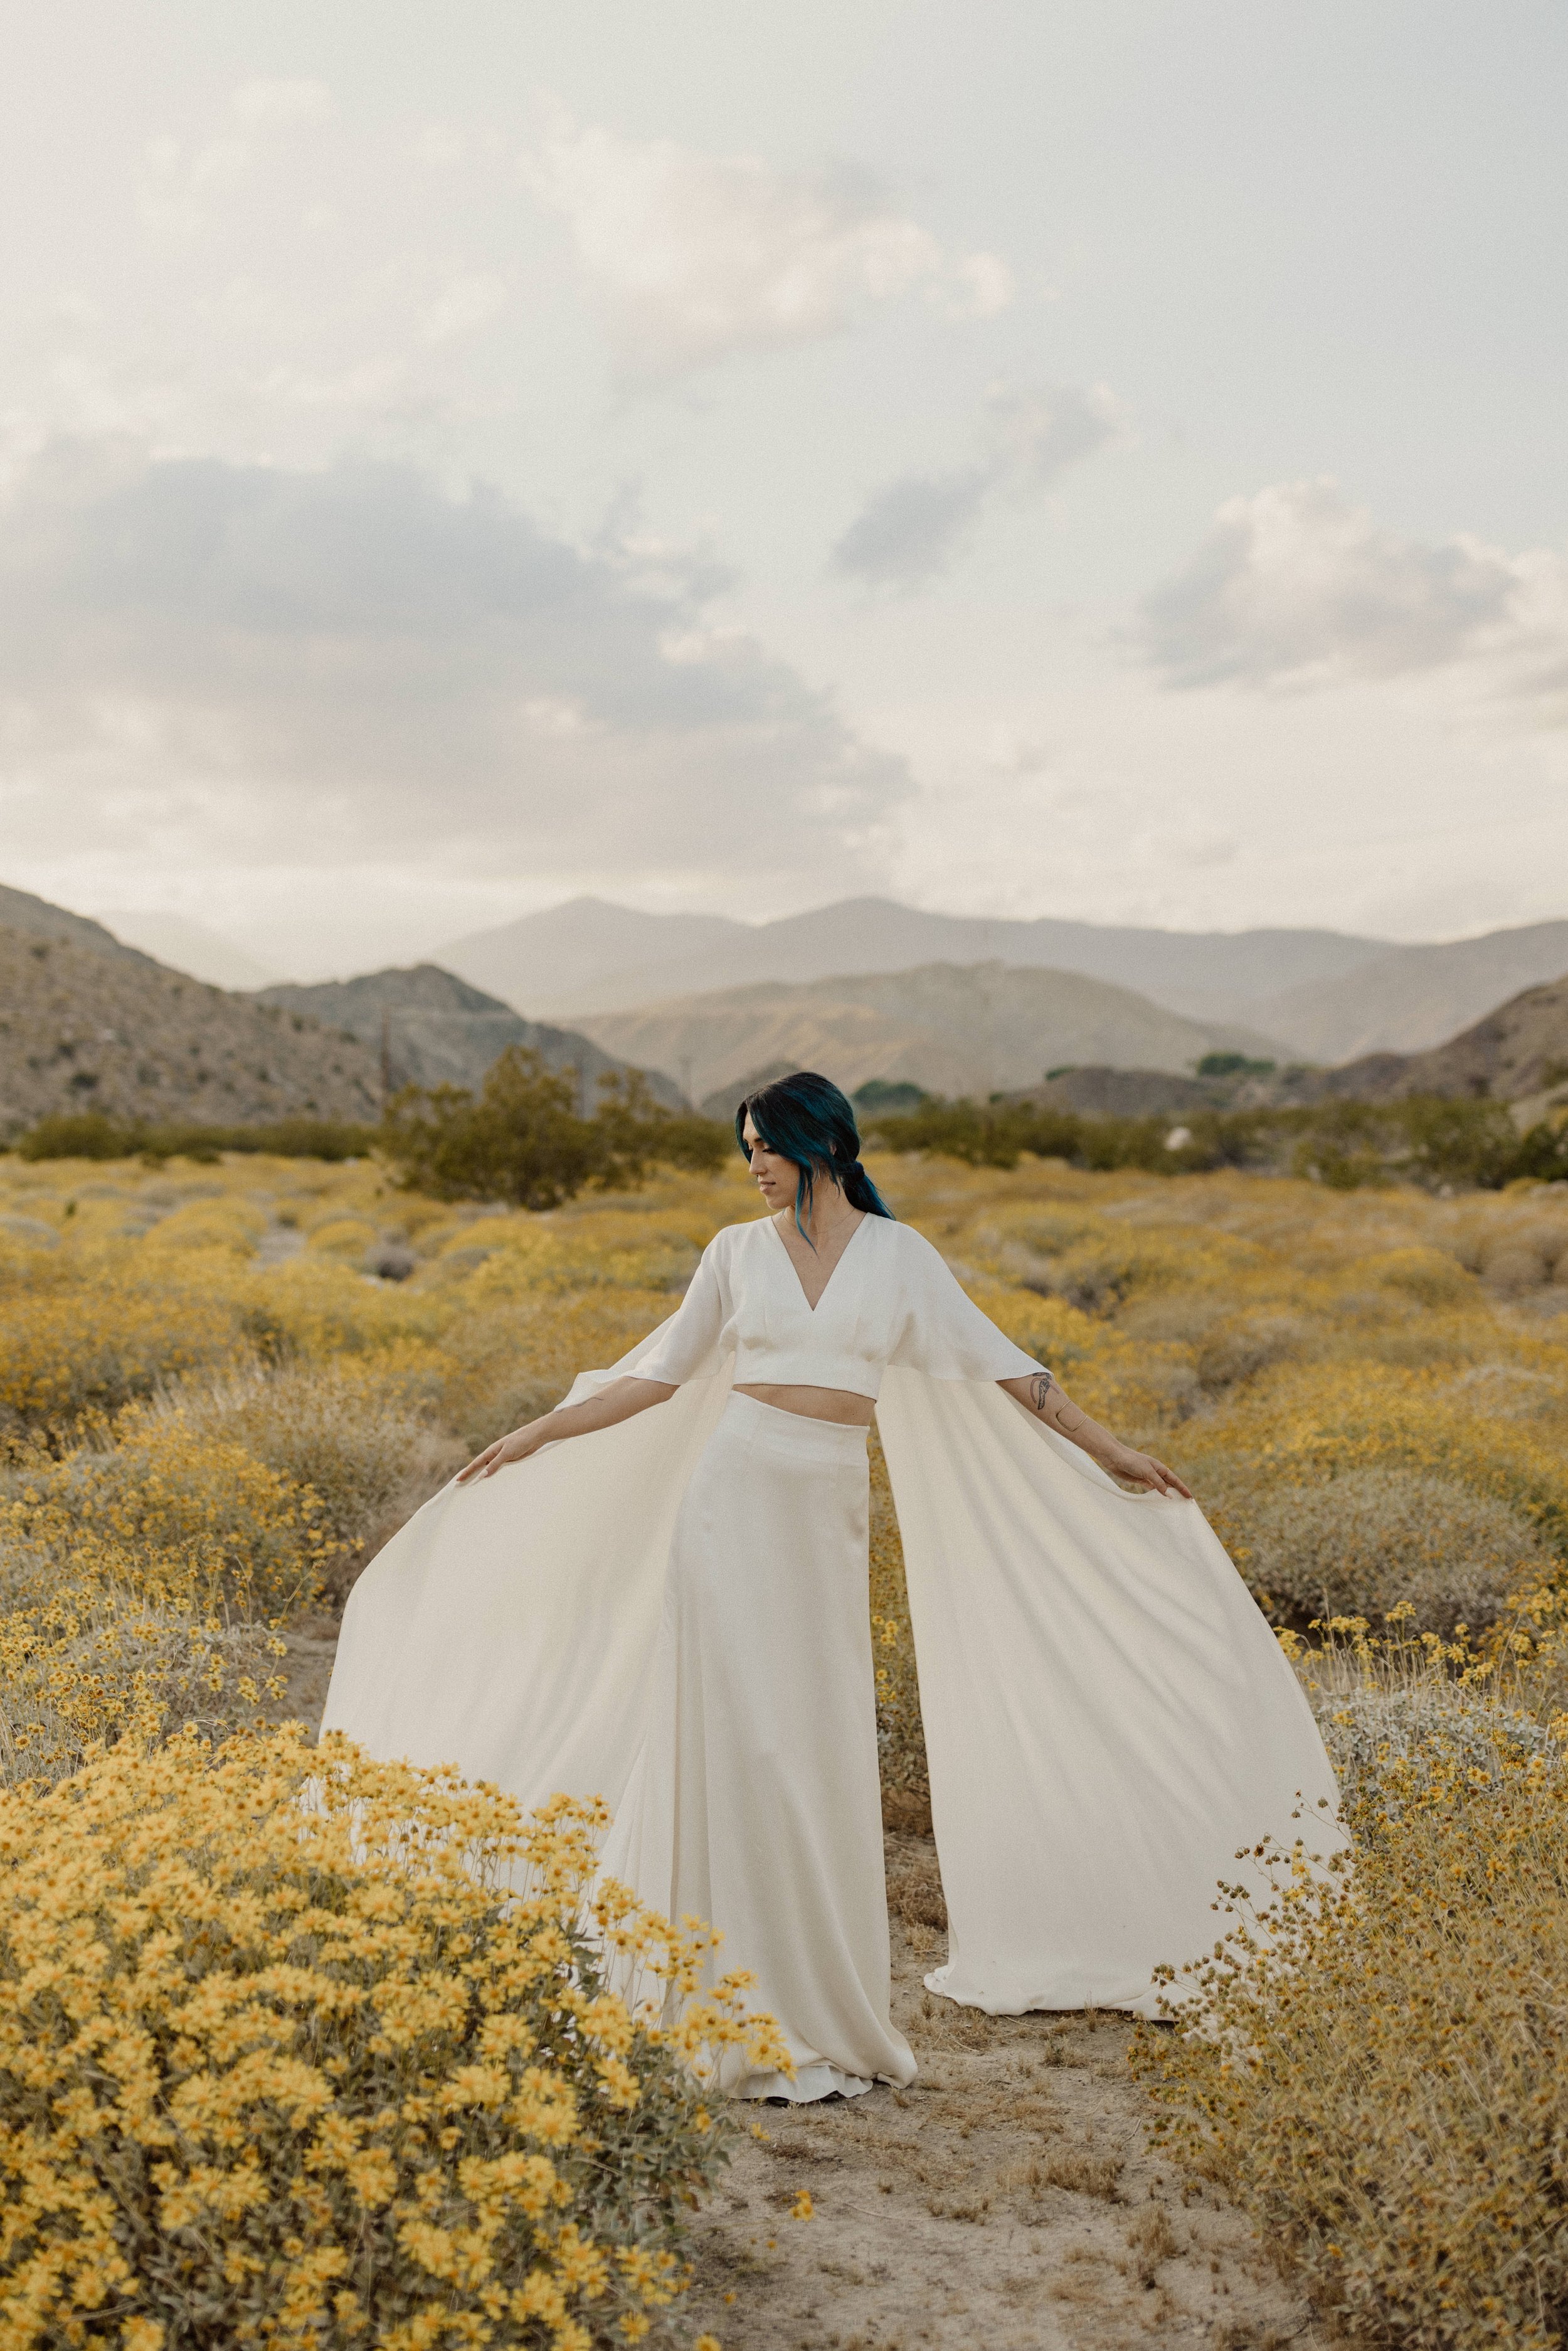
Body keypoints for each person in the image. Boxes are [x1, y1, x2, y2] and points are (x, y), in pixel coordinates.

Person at [322, 1071, 1338, 2103]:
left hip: (823, 1513)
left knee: (810, 1737)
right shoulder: (733, 1253)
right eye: (748, 1150)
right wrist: (542, 1429)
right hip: (727, 1505)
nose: (754, 1166)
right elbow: (660, 1374)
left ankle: (810, 1996)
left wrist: (1113, 1450)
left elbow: (1008, 1368)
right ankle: (701, 1987)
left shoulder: (902, 1259)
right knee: (726, 1734)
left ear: (823, 1146)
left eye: (766, 1146)